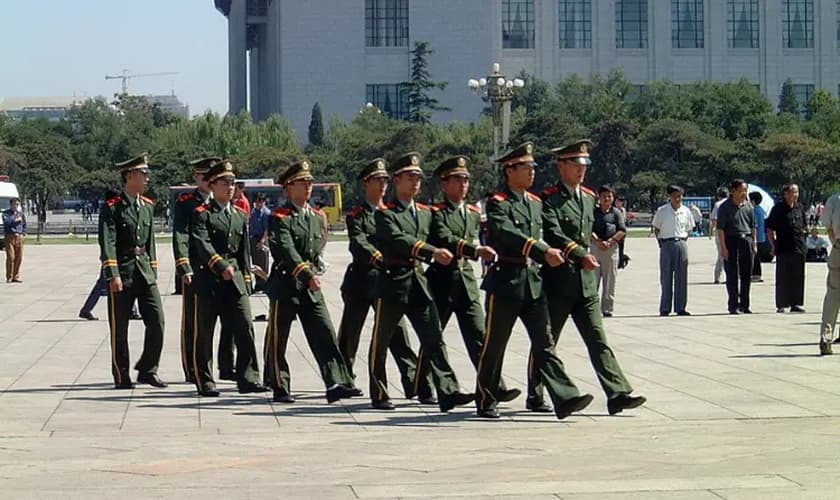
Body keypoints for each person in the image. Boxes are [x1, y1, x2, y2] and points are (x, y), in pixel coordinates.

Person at [476, 142, 592, 420]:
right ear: (509, 170)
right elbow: (506, 234)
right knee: (495, 344)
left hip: (534, 282)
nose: (531, 173)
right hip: (506, 282)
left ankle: (563, 396)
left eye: (533, 168)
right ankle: (486, 398)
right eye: (526, 168)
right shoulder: (497, 203)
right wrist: (541, 251)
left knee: (545, 342)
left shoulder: (536, 202)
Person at [538, 140, 645, 416]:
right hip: (559, 281)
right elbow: (553, 233)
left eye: (584, 164)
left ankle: (617, 393)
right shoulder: (549, 199)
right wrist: (577, 254)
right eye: (575, 164)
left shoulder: (588, 198)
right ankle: (537, 392)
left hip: (585, 283)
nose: (581, 170)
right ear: (561, 165)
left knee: (598, 339)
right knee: (547, 342)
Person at [369, 152, 474, 412]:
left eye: (418, 177)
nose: (415, 182)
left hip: (418, 281)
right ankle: (380, 393)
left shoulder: (426, 213)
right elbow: (398, 240)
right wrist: (430, 252)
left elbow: (440, 236)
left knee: (434, 338)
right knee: (381, 342)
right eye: (409, 177)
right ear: (397, 180)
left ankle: (446, 390)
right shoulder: (385, 213)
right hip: (393, 283)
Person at [423, 155, 519, 403]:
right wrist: (474, 251)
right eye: (457, 180)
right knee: (434, 338)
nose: (463, 184)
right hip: (442, 280)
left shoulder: (474, 212)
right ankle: (428, 385)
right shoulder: (436, 213)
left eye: (466, 179)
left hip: (466, 280)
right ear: (445, 184)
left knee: (480, 335)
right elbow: (445, 238)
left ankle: (494, 385)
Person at [335, 158, 430, 401]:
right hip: (362, 281)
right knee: (351, 333)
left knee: (398, 334)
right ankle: (344, 379)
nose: (383, 184)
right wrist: (379, 257)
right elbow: (359, 242)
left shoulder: (392, 212)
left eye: (386, 180)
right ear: (366, 183)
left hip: (389, 282)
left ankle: (411, 380)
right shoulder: (357, 214)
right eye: (378, 180)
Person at [262, 159, 355, 404]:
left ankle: (335, 382)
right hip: (286, 285)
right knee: (278, 337)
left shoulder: (316, 217)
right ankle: (279, 384)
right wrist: (306, 274)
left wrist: (314, 270)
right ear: (288, 188)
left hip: (310, 286)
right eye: (302, 183)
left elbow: (316, 247)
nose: (308, 186)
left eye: (310, 182)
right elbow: (285, 249)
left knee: (324, 332)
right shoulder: (279, 217)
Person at [189, 160, 265, 397]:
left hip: (236, 281)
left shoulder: (240, 215)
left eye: (233, 182)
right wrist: (219, 265)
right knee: (206, 332)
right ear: (212, 185)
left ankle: (248, 377)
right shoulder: (202, 214)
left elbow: (244, 251)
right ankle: (205, 379)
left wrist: (247, 279)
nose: (230, 187)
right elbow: (202, 243)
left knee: (245, 326)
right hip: (211, 280)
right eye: (225, 182)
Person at [98, 153, 166, 389]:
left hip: (144, 271)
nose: (147, 177)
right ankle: (121, 373)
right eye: (142, 173)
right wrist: (113, 274)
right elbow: (107, 242)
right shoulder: (113, 207)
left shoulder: (147, 206)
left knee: (157, 321)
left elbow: (150, 244)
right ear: (129, 176)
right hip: (123, 272)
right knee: (120, 328)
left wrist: (153, 270)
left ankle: (148, 369)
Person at [171, 157, 220, 382]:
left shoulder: (221, 200)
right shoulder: (186, 202)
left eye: (211, 177)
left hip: (219, 268)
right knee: (193, 319)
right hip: (196, 267)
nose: (207, 181)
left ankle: (223, 366)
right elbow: (181, 235)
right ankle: (192, 367)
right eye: (203, 177)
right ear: (196, 178)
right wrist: (183, 264)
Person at [80, 190, 141, 321]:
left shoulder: (110, 212)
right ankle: (131, 310)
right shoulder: (110, 213)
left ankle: (87, 309)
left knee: (109, 283)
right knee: (120, 282)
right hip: (114, 257)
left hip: (113, 256)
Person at [652, 185, 695, 316]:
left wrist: (682, 240)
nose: (677, 198)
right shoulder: (662, 211)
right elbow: (657, 229)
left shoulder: (686, 211)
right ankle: (665, 308)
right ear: (669, 196)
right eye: (675, 196)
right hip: (666, 243)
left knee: (681, 277)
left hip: (681, 242)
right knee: (666, 277)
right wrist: (661, 243)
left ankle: (680, 307)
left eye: (680, 196)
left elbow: (689, 228)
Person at [717, 179, 757, 315]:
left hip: (746, 240)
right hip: (731, 240)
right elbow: (720, 229)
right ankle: (733, 305)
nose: (743, 193)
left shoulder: (748, 206)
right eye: (741, 191)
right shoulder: (725, 207)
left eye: (745, 190)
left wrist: (754, 243)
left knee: (746, 274)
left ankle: (745, 304)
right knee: (732, 274)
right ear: (733, 191)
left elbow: (753, 226)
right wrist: (723, 247)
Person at [766, 184, 808, 313]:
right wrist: (773, 244)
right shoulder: (778, 209)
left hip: (799, 247)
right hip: (783, 247)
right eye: (791, 192)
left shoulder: (800, 208)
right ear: (785, 194)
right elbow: (769, 228)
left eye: (796, 192)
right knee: (783, 277)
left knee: (798, 276)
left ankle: (795, 303)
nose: (794, 195)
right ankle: (782, 304)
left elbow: (804, 226)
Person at [590, 185, 626, 317]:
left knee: (610, 279)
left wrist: (610, 241)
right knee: (593, 279)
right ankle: (592, 307)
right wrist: (598, 241)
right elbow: (588, 228)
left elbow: (622, 230)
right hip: (595, 247)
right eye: (604, 196)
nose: (607, 199)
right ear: (598, 197)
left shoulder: (616, 213)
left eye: (609, 196)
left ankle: (607, 308)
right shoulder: (593, 211)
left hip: (611, 248)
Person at [819, 192, 840, 354]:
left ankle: (826, 336)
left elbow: (828, 228)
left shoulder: (834, 199)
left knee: (833, 295)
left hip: (838, 248)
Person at [248, 193, 271, 292]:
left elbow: (267, 229)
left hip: (262, 239)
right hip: (253, 239)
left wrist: (262, 241)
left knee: (263, 262)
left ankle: (265, 283)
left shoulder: (266, 213)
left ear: (264, 202)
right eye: (257, 201)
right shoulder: (253, 212)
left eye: (260, 201)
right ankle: (258, 283)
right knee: (255, 262)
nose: (258, 204)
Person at [3, 197, 26, 283]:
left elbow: (24, 224)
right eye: (14, 204)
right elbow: (7, 223)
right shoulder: (6, 214)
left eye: (17, 204)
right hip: (10, 237)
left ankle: (15, 276)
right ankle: (9, 276)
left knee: (18, 257)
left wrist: (23, 233)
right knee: (11, 257)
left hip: (19, 237)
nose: (15, 206)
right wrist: (15, 219)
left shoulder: (20, 214)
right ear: (11, 204)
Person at [709, 188, 728, 284]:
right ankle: (729, 275)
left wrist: (711, 231)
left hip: (719, 232)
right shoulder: (730, 203)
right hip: (729, 232)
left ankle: (718, 276)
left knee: (721, 254)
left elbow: (714, 220)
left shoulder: (717, 204)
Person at [748, 191, 768, 282]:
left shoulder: (754, 210)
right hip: (761, 237)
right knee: (756, 257)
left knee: (755, 257)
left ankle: (756, 274)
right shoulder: (760, 209)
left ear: (753, 201)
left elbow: (753, 225)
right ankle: (756, 274)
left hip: (756, 237)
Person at [614, 195, 631, 269]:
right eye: (618, 201)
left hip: (622, 231)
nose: (619, 203)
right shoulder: (613, 210)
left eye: (621, 201)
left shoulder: (623, 210)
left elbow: (624, 221)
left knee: (621, 248)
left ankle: (620, 262)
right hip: (614, 231)